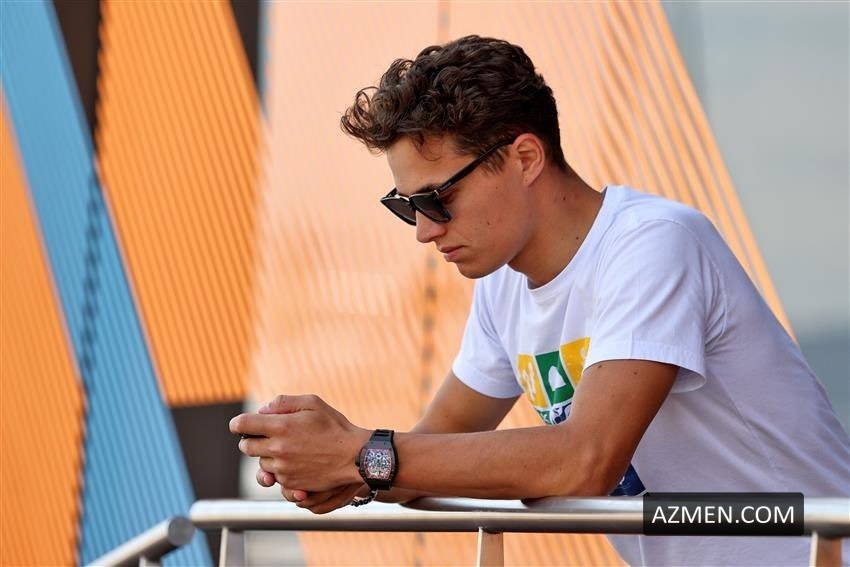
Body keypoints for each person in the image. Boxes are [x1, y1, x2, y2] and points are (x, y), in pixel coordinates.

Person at [230, 35, 850, 565]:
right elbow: (426, 453)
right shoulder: (503, 285)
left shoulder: (654, 243)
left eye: (436, 199)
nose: (423, 230)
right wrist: (335, 465)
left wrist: (365, 455)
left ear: (525, 157)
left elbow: (583, 461)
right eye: (406, 206)